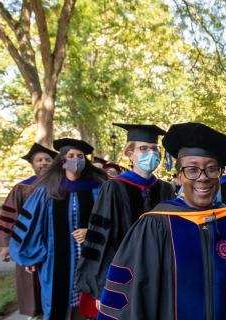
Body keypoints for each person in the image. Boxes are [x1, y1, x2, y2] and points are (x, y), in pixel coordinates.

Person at [97, 122, 226, 319]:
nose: (202, 177)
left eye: (211, 169)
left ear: (219, 175)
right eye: (192, 169)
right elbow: (128, 300)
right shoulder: (153, 227)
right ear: (178, 176)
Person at [75, 124, 176, 308]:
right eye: (143, 149)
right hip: (123, 271)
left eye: (154, 149)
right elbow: (101, 238)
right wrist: (102, 286)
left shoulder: (166, 189)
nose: (151, 154)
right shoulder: (113, 188)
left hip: (160, 269)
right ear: (130, 153)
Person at [9, 138, 107, 320]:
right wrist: (30, 255)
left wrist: (91, 233)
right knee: (59, 304)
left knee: (87, 304)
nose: (76, 160)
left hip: (91, 258)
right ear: (62, 161)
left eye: (80, 156)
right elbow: (31, 224)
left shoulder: (98, 189)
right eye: (71, 156)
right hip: (56, 261)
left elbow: (111, 222)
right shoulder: (47, 190)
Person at [0, 143, 57, 319]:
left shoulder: (62, 186)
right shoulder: (22, 188)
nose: (44, 163)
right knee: (31, 280)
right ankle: (35, 313)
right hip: (27, 242)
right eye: (39, 160)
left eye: (48, 159)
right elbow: (9, 217)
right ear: (32, 164)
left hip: (54, 241)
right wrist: (6, 245)